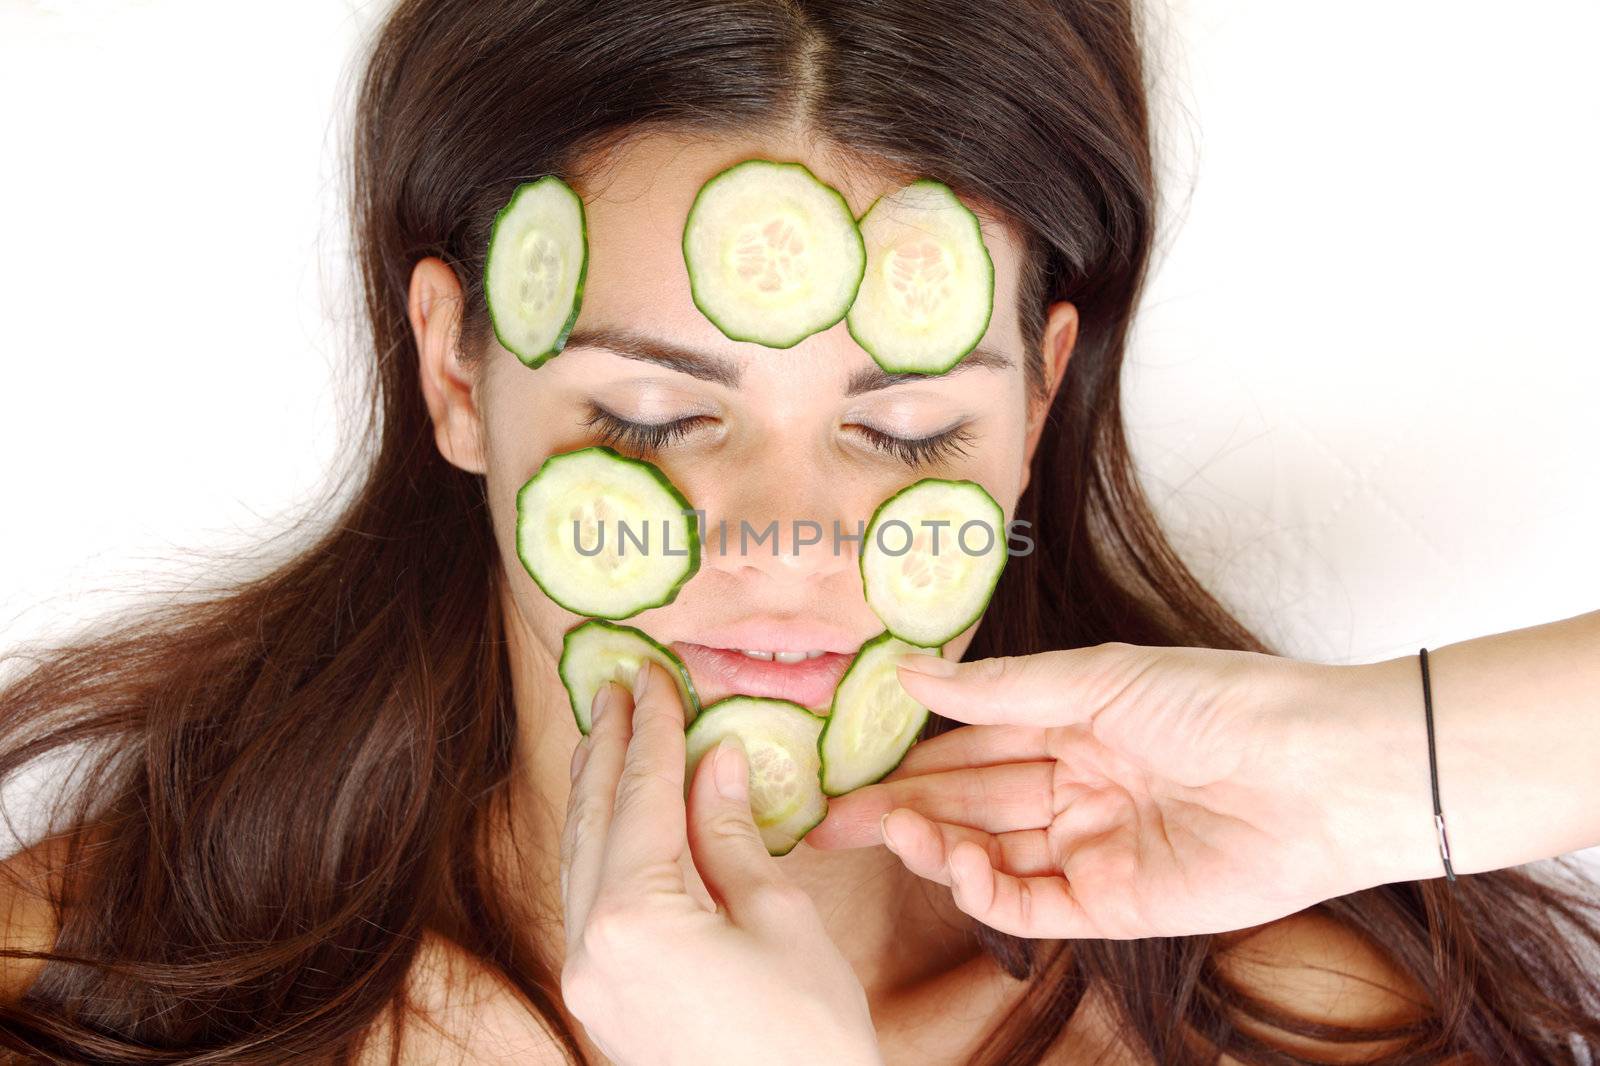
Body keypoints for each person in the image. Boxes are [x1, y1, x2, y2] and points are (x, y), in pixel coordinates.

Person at [2, 2, 1599, 1065]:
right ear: (457, 369)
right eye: (648, 420)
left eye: (904, 432)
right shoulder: (78, 986)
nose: (783, 549)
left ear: (1033, 408)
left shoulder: (1302, 1023)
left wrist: (1408, 763)